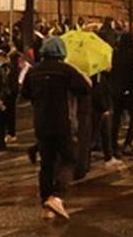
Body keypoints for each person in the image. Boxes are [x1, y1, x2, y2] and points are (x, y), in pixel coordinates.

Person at [21, 37, 91, 220]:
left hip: (41, 122)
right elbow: (84, 89)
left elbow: (25, 94)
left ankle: (46, 203)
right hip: (63, 122)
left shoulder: (34, 72)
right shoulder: (66, 71)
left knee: (46, 164)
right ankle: (57, 195)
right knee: (69, 159)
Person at [110, 33, 133, 157]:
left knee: (116, 119)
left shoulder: (115, 55)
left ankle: (113, 144)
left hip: (117, 91)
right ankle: (127, 143)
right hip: (130, 92)